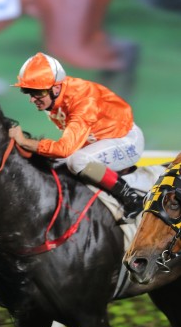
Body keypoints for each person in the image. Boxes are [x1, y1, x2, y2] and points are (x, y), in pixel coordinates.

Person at [9, 52, 145, 219]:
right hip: (99, 141)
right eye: (28, 92)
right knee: (54, 164)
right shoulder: (55, 97)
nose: (32, 99)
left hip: (125, 141)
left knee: (77, 161)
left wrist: (24, 141)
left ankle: (131, 198)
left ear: (56, 88)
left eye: (38, 92)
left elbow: (64, 149)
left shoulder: (83, 101)